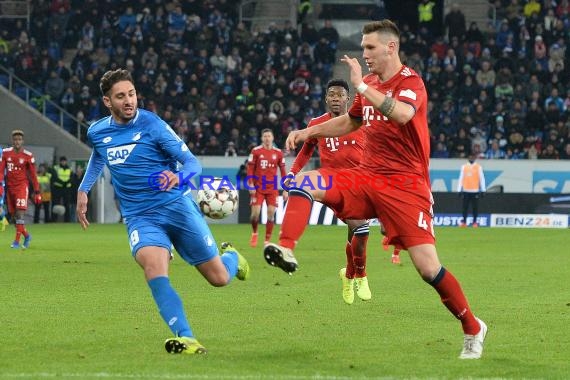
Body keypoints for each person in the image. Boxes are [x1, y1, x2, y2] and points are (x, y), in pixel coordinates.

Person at [264, 20, 487, 359]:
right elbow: (350, 121)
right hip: (366, 176)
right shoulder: (367, 82)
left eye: (370, 48)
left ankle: (473, 327)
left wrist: (362, 88)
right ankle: (285, 248)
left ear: (390, 47)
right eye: (364, 47)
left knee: (428, 268)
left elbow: (401, 114)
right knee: (306, 182)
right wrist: (309, 133)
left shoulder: (411, 82)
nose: (364, 54)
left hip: (405, 185)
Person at [76, 69, 250, 355]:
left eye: (131, 94)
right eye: (121, 96)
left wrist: (177, 178)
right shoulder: (97, 131)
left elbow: (192, 164)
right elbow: (99, 155)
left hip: (177, 208)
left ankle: (232, 257)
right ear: (108, 102)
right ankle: (187, 337)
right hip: (140, 217)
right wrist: (84, 189)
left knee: (219, 278)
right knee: (154, 268)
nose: (129, 101)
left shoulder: (152, 124)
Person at [286, 79, 371, 304]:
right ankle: (361, 275)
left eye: (339, 95)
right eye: (331, 94)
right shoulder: (318, 124)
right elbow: (306, 150)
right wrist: (292, 173)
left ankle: (349, 275)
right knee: (360, 228)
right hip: (331, 183)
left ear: (347, 99)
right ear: (326, 98)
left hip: (358, 184)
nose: (335, 98)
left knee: (356, 234)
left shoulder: (360, 121)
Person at [0, 130, 42, 248]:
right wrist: (0, 185)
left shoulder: (28, 156)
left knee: (20, 214)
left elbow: (33, 175)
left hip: (22, 187)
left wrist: (37, 191)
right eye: (15, 139)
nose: (17, 141)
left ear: (22, 141)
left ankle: (16, 242)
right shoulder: (5, 154)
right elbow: (1, 171)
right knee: (14, 217)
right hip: (10, 188)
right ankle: (27, 235)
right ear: (12, 141)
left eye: (19, 139)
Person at [246, 129, 286, 247]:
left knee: (270, 213)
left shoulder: (278, 153)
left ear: (272, 138)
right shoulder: (256, 151)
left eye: (269, 136)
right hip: (258, 187)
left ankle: (267, 240)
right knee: (255, 214)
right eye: (265, 136)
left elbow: (283, 172)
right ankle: (255, 233)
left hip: (272, 188)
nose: (267, 138)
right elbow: (250, 169)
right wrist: (250, 184)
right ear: (262, 138)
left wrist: (285, 189)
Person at [457, 153, 486, 227]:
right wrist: (459, 189)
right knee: (465, 207)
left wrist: (483, 189)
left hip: (475, 190)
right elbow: (461, 178)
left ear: (475, 158)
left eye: (472, 157)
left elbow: (481, 178)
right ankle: (464, 222)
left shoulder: (478, 167)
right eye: (470, 157)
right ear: (468, 158)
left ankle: (475, 222)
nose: (471, 158)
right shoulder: (464, 167)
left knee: (475, 207)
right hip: (466, 190)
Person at [51, 156, 72, 222]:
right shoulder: (56, 168)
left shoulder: (69, 169)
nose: (63, 162)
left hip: (66, 189)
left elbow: (71, 178)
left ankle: (67, 220)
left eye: (64, 161)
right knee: (56, 204)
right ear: (60, 161)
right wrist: (63, 183)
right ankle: (54, 220)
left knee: (67, 204)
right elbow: (54, 177)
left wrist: (66, 183)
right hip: (58, 188)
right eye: (62, 161)